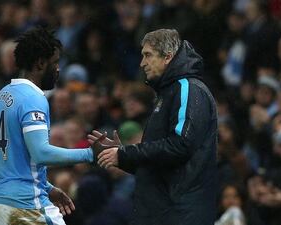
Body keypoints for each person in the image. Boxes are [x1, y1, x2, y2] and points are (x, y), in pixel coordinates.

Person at [89, 29, 218, 225]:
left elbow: (181, 146)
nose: (142, 63)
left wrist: (127, 154)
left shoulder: (188, 89)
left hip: (180, 212)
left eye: (148, 55)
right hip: (163, 210)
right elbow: (161, 163)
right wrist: (121, 156)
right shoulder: (168, 93)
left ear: (167, 57)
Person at [0, 27, 96, 225]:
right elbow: (41, 153)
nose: (58, 69)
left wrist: (48, 188)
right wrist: (91, 154)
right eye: (56, 62)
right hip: (24, 204)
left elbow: (15, 161)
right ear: (41, 63)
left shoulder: (1, 97)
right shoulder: (33, 98)